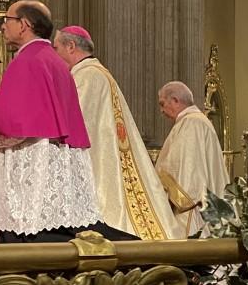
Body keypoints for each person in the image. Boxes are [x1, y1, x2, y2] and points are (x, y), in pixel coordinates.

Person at [0, 1, 100, 243]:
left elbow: (11, 126)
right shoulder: (54, 61)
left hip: (30, 167)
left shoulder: (28, 61)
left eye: (7, 19)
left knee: (24, 235)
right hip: (51, 162)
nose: (3, 26)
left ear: (24, 25)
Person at [54, 26, 181, 240]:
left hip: (97, 167)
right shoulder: (96, 74)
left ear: (71, 46)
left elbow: (72, 126)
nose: (54, 54)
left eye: (56, 48)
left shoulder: (87, 77)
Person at [154, 81, 229, 236]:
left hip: (193, 212)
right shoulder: (196, 121)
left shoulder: (192, 123)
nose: (161, 111)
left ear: (175, 100)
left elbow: (185, 175)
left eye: (163, 104)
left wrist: (156, 184)